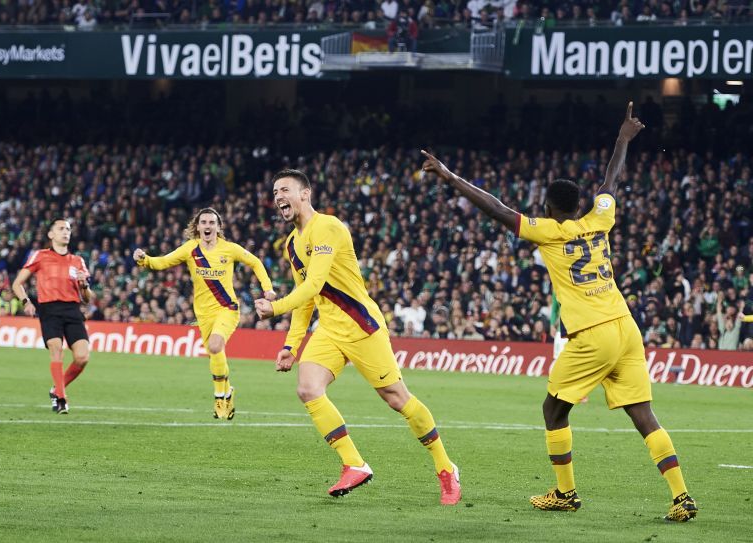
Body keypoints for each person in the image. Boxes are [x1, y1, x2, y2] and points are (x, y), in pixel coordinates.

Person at [420, 102, 697, 522]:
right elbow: (613, 179)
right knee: (643, 415)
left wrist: (449, 176)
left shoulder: (548, 232)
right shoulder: (599, 219)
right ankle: (681, 496)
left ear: (549, 208)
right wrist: (623, 138)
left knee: (554, 410)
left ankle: (566, 493)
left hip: (593, 333)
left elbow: (495, 209)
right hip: (626, 327)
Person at [254, 169, 461, 505]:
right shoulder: (292, 244)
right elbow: (305, 297)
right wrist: (291, 345)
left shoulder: (329, 227)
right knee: (308, 388)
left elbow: (315, 284)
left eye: (285, 189)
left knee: (397, 399)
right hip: (330, 330)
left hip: (361, 326)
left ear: (305, 193)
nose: (278, 196)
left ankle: (446, 468)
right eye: (275, 191)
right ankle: (354, 464)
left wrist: (275, 307)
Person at [133, 207, 275, 420]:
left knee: (216, 345)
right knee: (215, 353)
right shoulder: (191, 248)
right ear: (197, 227)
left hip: (227, 309)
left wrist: (268, 288)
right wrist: (144, 259)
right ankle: (228, 392)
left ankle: (219, 397)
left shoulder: (229, 249)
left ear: (218, 227)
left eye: (212, 223)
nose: (208, 226)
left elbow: (255, 262)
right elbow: (163, 262)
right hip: (203, 314)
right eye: (204, 222)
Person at [12, 218, 94, 415]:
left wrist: (84, 285)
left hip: (73, 310)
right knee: (56, 349)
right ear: (51, 235)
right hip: (49, 309)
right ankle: (62, 398)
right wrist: (26, 302)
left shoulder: (77, 261)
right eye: (61, 229)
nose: (65, 232)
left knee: (82, 357)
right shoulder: (40, 256)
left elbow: (87, 299)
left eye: (68, 229)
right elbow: (17, 283)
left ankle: (56, 388)